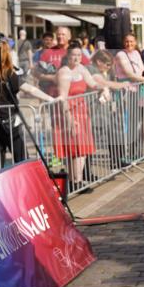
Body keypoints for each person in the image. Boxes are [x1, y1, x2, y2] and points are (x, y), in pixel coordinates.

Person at [53, 41, 105, 186]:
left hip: (82, 112)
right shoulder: (64, 72)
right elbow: (63, 98)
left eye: (78, 55)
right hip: (68, 113)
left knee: (80, 149)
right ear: (68, 56)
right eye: (73, 55)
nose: (76, 58)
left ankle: (75, 181)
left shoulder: (81, 68)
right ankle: (76, 181)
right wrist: (70, 120)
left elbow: (92, 83)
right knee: (76, 150)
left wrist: (103, 88)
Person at [0, 35, 26, 173]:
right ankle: (24, 188)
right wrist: (51, 99)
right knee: (21, 156)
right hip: (8, 120)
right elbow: (28, 88)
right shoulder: (10, 73)